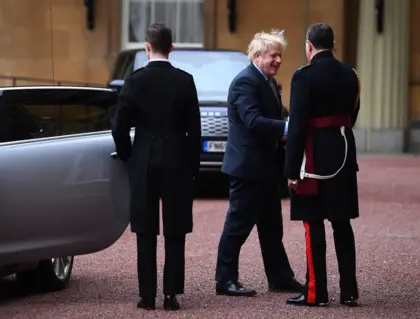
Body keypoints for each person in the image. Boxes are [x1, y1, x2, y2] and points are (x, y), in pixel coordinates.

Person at [111, 23, 201, 311]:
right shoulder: (185, 80)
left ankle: (147, 295)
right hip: (176, 156)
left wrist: (128, 155)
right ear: (171, 48)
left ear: (147, 47)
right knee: (175, 228)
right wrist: (193, 167)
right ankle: (171, 295)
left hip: (144, 156)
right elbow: (195, 130)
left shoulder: (134, 80)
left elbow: (119, 127)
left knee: (145, 228)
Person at [214, 30, 302, 297]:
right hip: (247, 169)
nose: (278, 60)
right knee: (237, 226)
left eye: (280, 56)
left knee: (271, 227)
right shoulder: (245, 82)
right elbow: (252, 122)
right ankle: (225, 280)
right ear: (257, 55)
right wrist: (289, 127)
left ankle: (280, 278)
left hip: (265, 168)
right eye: (273, 55)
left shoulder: (268, 82)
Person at [284, 23, 360, 307]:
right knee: (342, 223)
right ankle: (349, 291)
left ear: (309, 45)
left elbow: (298, 125)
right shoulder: (351, 74)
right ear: (334, 44)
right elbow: (354, 113)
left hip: (313, 156)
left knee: (313, 222)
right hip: (343, 152)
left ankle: (316, 292)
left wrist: (291, 169)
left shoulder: (303, 77)